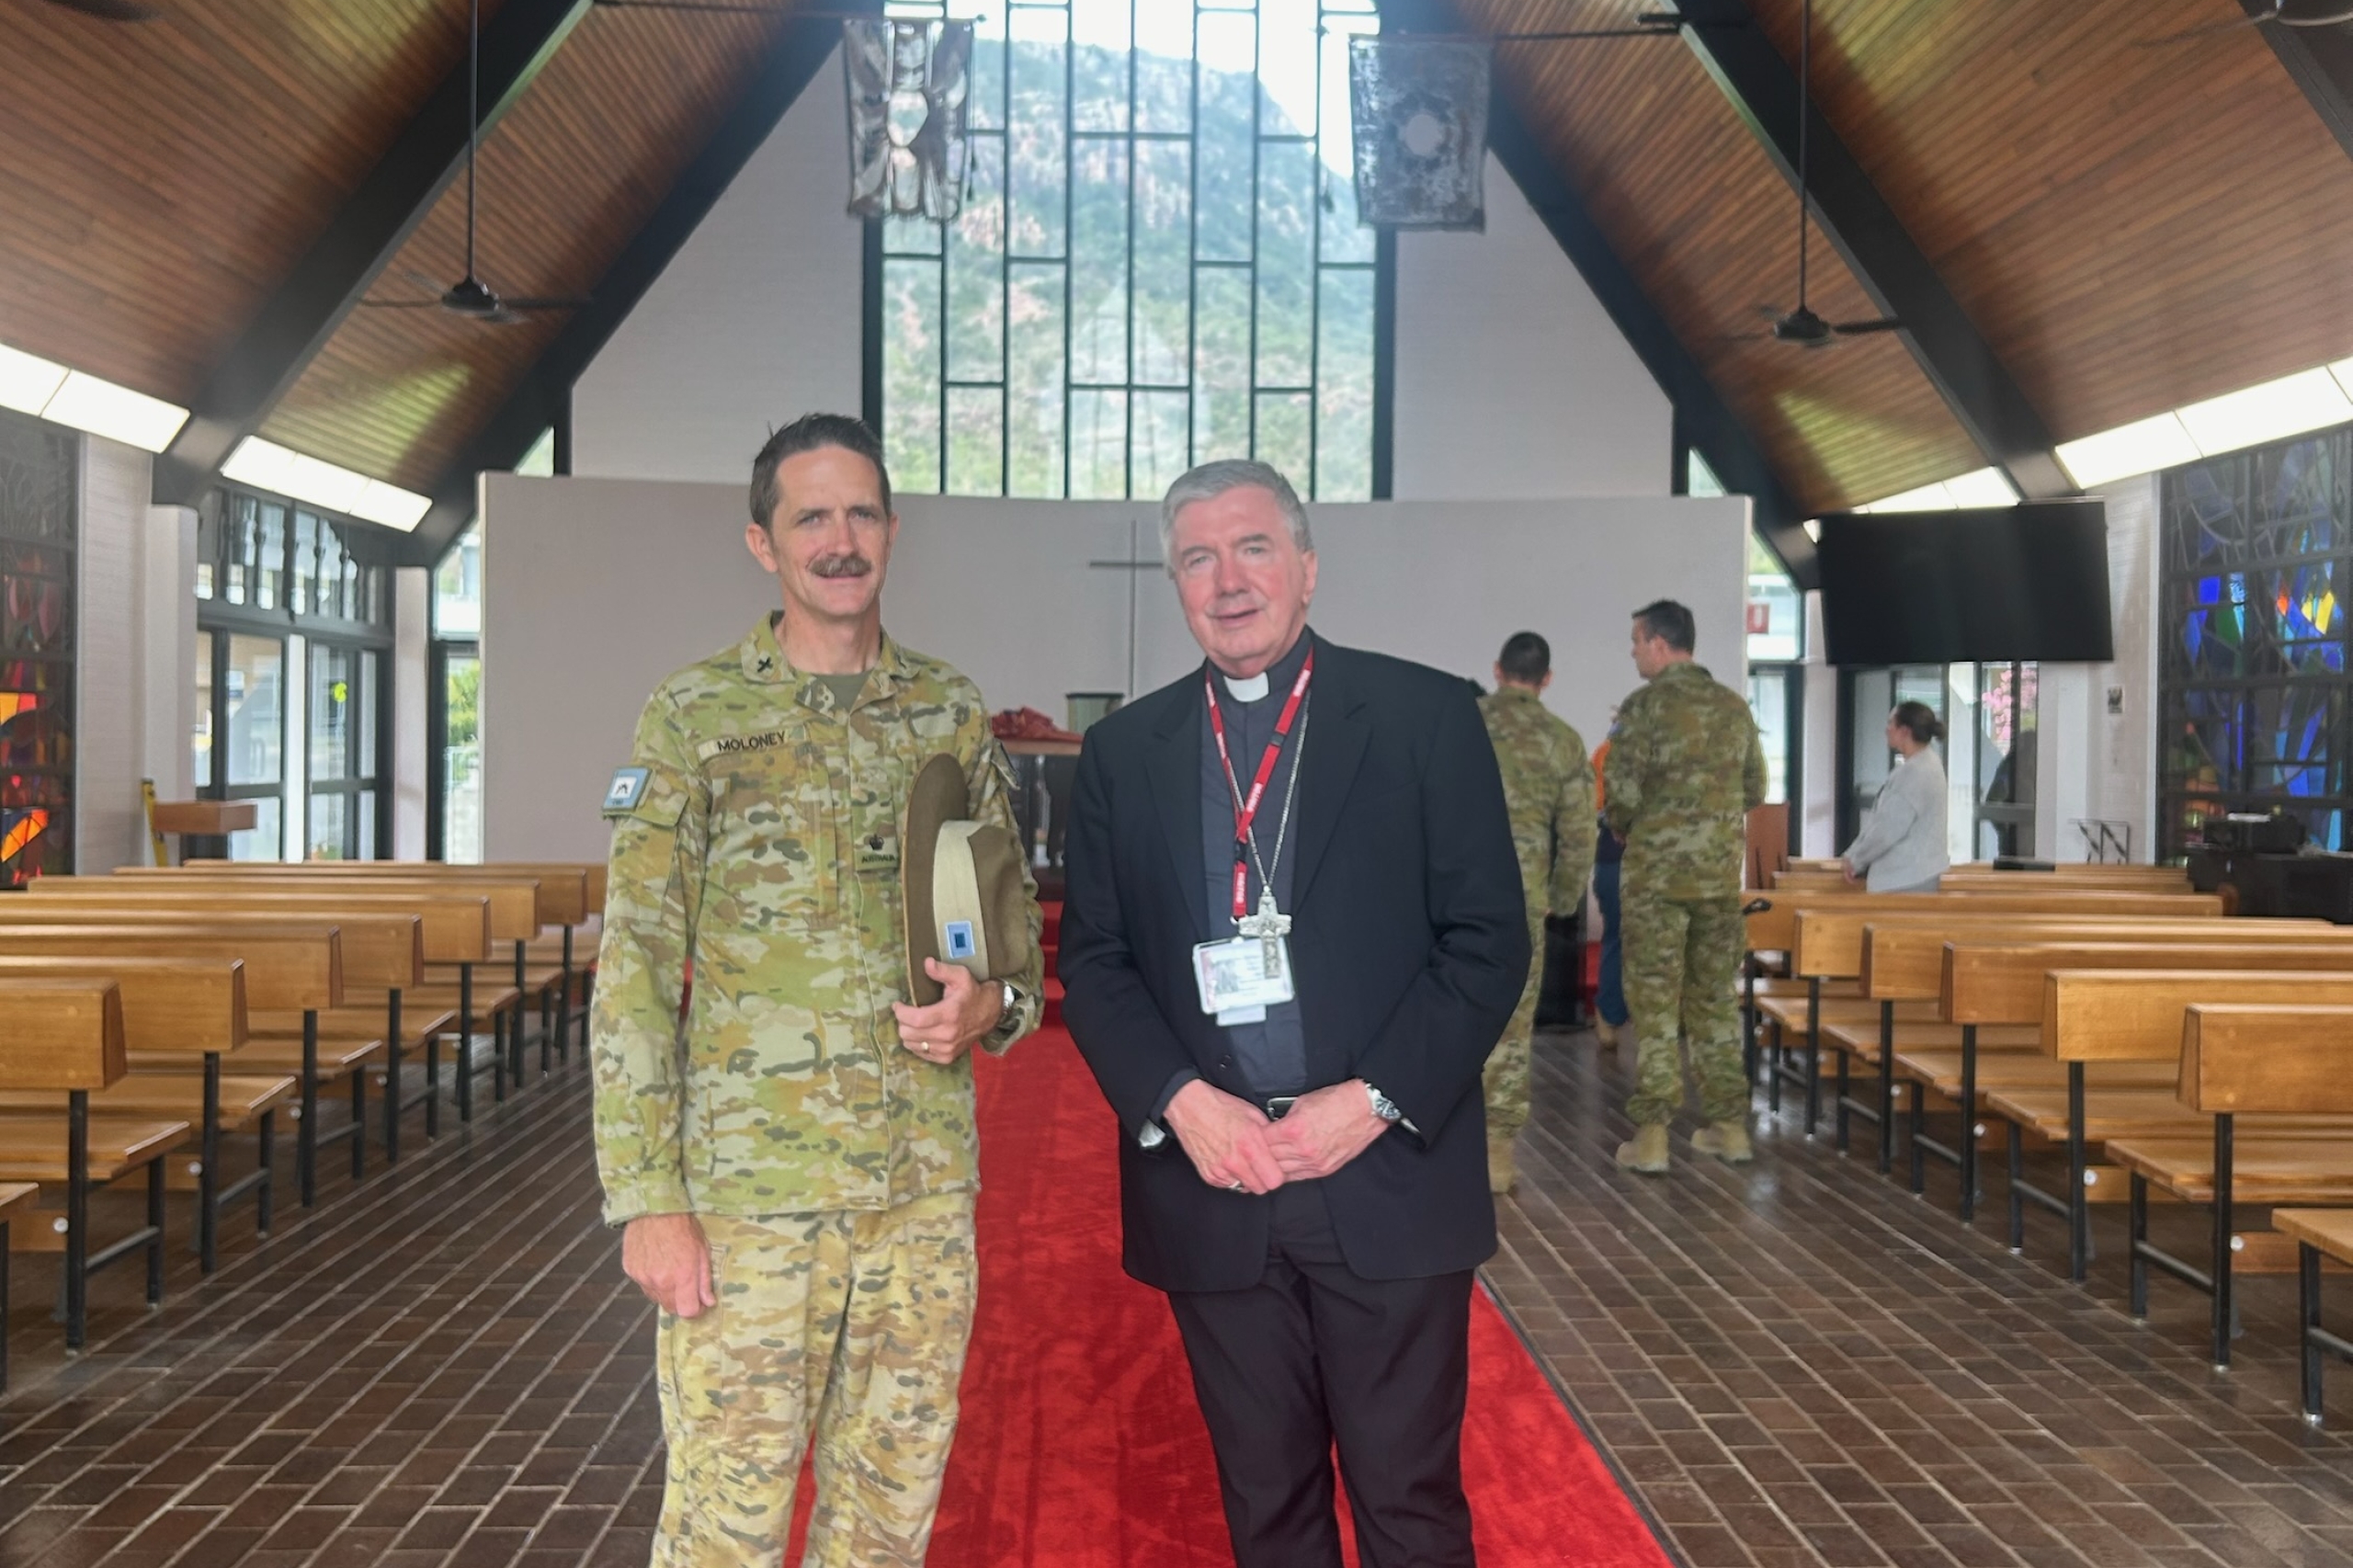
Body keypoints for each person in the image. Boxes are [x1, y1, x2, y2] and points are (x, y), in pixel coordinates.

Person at [589, 413, 1044, 1568]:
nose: (840, 540)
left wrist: (987, 1006)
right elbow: (635, 964)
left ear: (892, 529)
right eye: (811, 517)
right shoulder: (693, 715)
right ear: (762, 542)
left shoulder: (947, 708)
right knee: (723, 1525)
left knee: (887, 1521)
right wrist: (646, 1194)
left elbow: (1011, 944)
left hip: (920, 1193)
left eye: (860, 513)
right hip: (751, 1200)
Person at [1058, 459, 1527, 1568]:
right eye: (1198, 557)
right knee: (1267, 1510)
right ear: (1176, 583)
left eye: (1253, 547)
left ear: (1307, 567)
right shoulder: (1126, 754)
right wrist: (1183, 1104)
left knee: (1407, 1505)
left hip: (1381, 1171)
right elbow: (1097, 957)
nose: (1228, 580)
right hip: (1216, 1180)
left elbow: (1488, 939)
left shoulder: (1423, 717)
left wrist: (1370, 1101)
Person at [1604, 598, 1765, 1176]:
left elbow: (1619, 791)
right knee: (1716, 1000)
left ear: (1659, 643)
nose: (1632, 651)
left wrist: (1634, 827)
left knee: (1655, 1006)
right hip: (1719, 879)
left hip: (1656, 883)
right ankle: (1729, 1127)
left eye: (1636, 641)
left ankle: (1651, 1138)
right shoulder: (1732, 707)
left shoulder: (1643, 708)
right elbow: (1755, 785)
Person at [1476, 631, 1593, 1195]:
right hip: (1522, 900)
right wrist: (1564, 899)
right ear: (1546, 678)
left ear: (1498, 670)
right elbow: (1578, 832)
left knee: (1443, 1014)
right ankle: (1497, 1154)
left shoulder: (1462, 724)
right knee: (1513, 1025)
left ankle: (1437, 1146)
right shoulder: (1562, 741)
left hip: (1451, 898)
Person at [1842, 701, 1949, 892]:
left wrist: (1855, 859)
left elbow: (1888, 828)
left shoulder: (1916, 772)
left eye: (1891, 723)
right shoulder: (1927, 764)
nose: (1887, 729)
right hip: (1916, 874)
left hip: (1904, 878)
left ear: (1905, 731)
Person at [1589, 713, 1628, 1051]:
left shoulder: (1606, 752)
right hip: (1619, 858)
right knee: (1621, 934)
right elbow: (1597, 806)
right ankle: (1611, 1011)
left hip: (1635, 859)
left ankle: (1613, 1014)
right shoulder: (1608, 754)